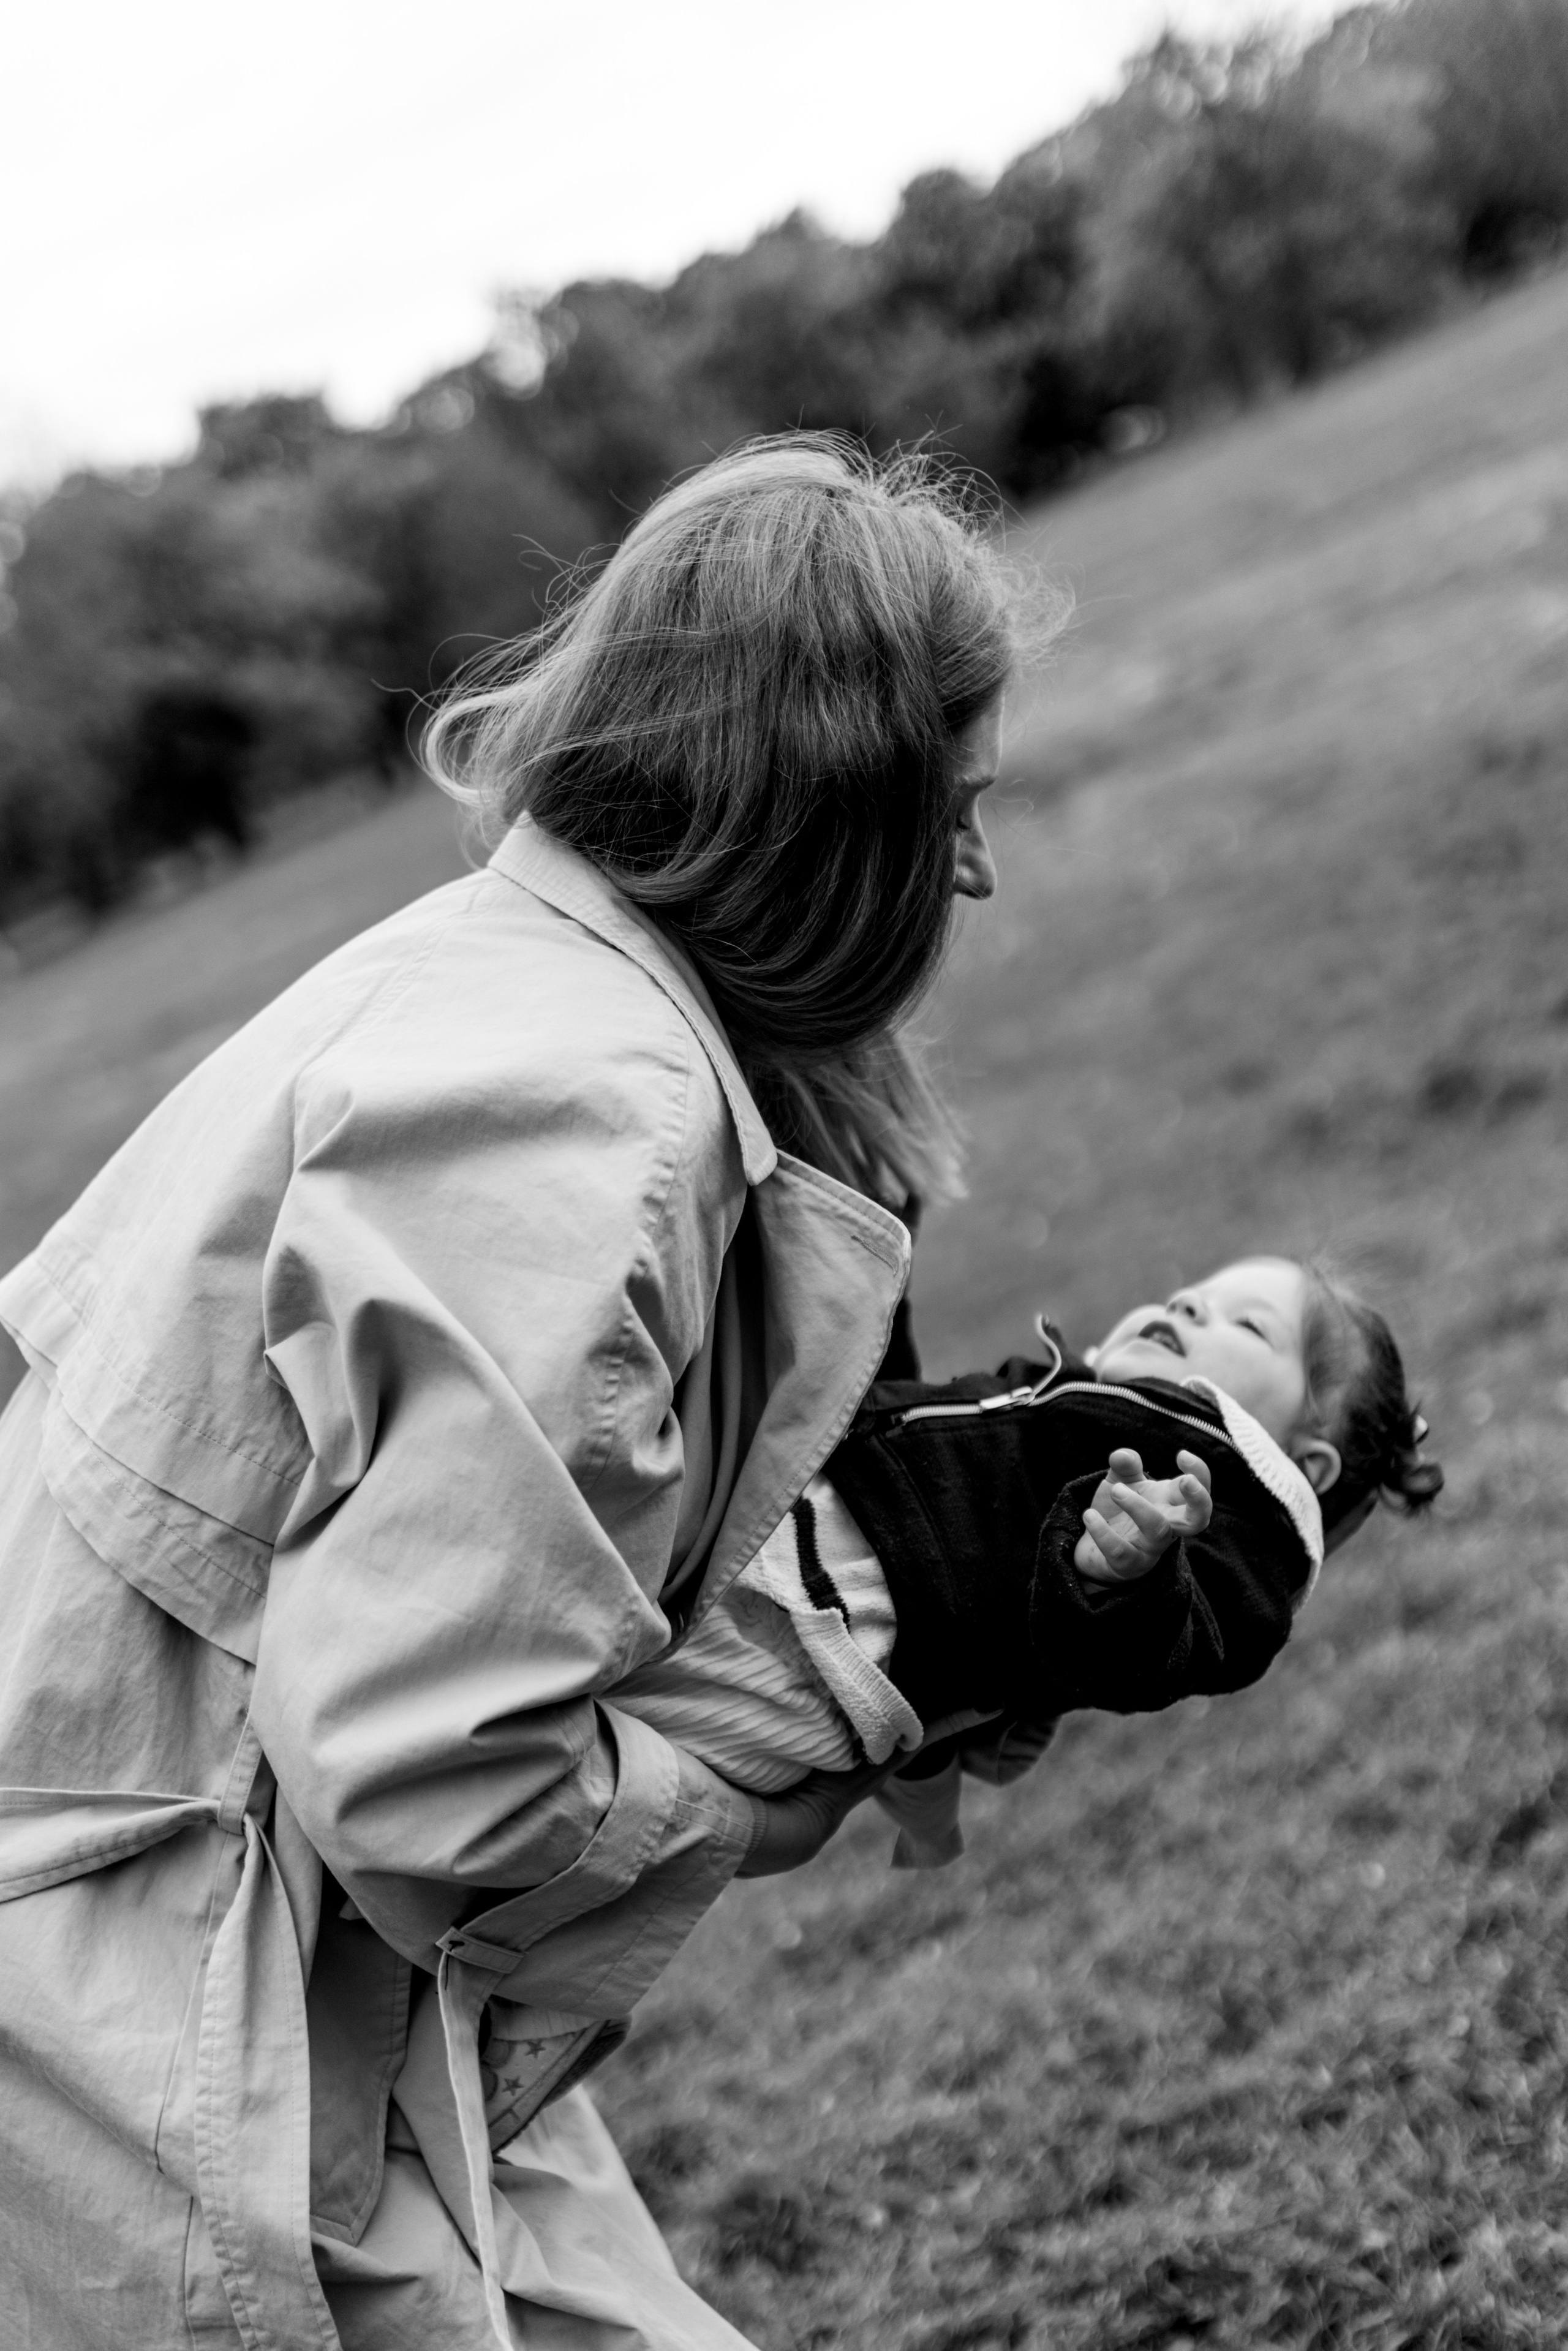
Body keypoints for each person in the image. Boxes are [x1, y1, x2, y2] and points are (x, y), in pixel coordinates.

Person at [0, 438, 1030, 2351]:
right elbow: (428, 1767)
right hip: (171, 2027)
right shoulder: (582, 1119)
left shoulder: (514, 983)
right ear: (819, 810)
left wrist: (903, 1653)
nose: (975, 862)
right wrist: (756, 1782)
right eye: (950, 805)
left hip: (320, 1982)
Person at [613, 1254, 1443, 1871]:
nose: (1189, 1303)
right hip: (785, 1543)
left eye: (1248, 1325)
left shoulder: (1238, 1524)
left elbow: (1144, 1652)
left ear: (1308, 1458)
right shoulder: (1065, 1395)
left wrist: (1130, 1570)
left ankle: (518, 1975)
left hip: (815, 1648)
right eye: (1195, 1292)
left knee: (577, 1739)